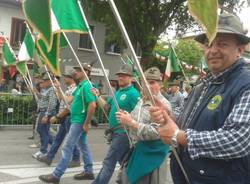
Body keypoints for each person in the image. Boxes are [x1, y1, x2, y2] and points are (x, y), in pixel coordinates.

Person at [149, 12, 250, 184]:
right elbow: (183, 122)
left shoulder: (246, 84)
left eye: (222, 44)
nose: (213, 50)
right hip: (188, 175)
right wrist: (168, 116)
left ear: (240, 49)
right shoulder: (203, 85)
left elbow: (237, 140)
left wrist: (178, 136)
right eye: (208, 44)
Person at [39, 63, 96, 183]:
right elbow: (66, 100)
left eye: (79, 70)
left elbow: (92, 105)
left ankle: (56, 175)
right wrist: (59, 88)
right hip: (76, 120)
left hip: (78, 121)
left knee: (67, 147)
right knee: (83, 146)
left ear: (86, 72)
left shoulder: (86, 86)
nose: (76, 72)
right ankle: (89, 171)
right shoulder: (81, 86)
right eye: (76, 69)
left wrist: (86, 123)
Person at [116, 67, 172, 184]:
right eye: (145, 83)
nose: (148, 86)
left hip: (153, 155)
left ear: (160, 84)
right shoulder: (141, 101)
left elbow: (157, 132)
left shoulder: (164, 105)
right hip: (138, 151)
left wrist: (132, 123)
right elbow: (133, 120)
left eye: (152, 83)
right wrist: (126, 118)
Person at [91, 64, 140, 184]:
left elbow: (139, 114)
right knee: (124, 161)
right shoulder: (117, 92)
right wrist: (97, 96)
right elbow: (107, 107)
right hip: (115, 133)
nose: (120, 78)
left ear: (131, 78)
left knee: (109, 162)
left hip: (123, 133)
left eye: (124, 76)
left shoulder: (133, 94)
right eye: (119, 75)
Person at [37, 69, 81, 168]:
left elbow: (68, 104)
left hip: (68, 116)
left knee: (71, 140)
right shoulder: (69, 88)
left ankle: (76, 159)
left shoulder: (75, 89)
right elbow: (62, 99)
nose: (64, 78)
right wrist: (58, 88)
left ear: (72, 78)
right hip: (64, 117)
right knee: (58, 139)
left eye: (66, 76)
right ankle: (49, 157)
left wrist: (57, 116)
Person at [32, 74, 58, 159]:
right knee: (43, 130)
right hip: (43, 111)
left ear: (49, 81)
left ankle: (43, 151)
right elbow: (42, 99)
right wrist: (36, 93)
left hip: (47, 112)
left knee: (43, 131)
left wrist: (47, 115)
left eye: (44, 81)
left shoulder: (52, 90)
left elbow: (52, 103)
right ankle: (55, 146)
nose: (42, 83)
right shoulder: (45, 90)